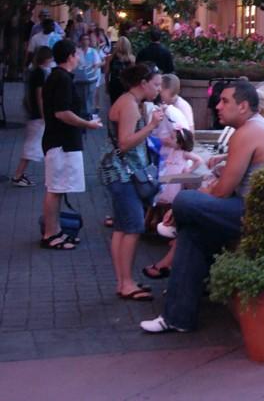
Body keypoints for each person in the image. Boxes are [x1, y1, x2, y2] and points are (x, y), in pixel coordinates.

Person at [140, 80, 264, 333]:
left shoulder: (249, 132)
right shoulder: (253, 128)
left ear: (243, 106)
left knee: (184, 200)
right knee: (192, 234)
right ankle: (177, 318)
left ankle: (177, 224)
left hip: (260, 216)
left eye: (225, 101)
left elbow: (223, 190)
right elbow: (226, 187)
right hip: (252, 209)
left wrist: (185, 207)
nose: (217, 106)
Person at [99, 63, 164, 300]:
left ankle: (123, 281)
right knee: (133, 226)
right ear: (143, 83)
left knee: (122, 227)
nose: (158, 89)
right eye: (156, 84)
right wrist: (152, 126)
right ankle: (126, 283)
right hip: (122, 174)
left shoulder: (128, 102)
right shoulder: (129, 106)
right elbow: (126, 143)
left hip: (118, 173)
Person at [40, 40, 103, 250]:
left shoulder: (58, 77)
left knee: (58, 188)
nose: (78, 58)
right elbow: (62, 112)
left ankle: (55, 229)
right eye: (76, 54)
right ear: (69, 56)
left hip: (60, 141)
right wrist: (88, 124)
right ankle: (50, 233)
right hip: (61, 142)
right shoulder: (62, 78)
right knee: (55, 188)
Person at [11, 46, 53, 187]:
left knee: (33, 145)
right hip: (37, 114)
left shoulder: (34, 72)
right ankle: (18, 174)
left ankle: (20, 174)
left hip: (33, 113)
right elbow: (39, 96)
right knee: (32, 146)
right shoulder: (40, 73)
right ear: (46, 58)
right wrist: (43, 114)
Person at [76, 33, 103, 116]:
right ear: (80, 41)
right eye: (83, 39)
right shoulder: (77, 51)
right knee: (80, 96)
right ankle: (82, 112)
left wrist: (92, 70)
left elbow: (97, 63)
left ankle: (89, 113)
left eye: (87, 39)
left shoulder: (93, 51)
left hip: (91, 77)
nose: (85, 41)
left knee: (90, 95)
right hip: (79, 78)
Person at [105, 36, 137, 104]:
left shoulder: (110, 58)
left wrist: (107, 86)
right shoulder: (131, 59)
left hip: (114, 84)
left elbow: (107, 73)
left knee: (114, 104)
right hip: (126, 85)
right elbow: (134, 75)